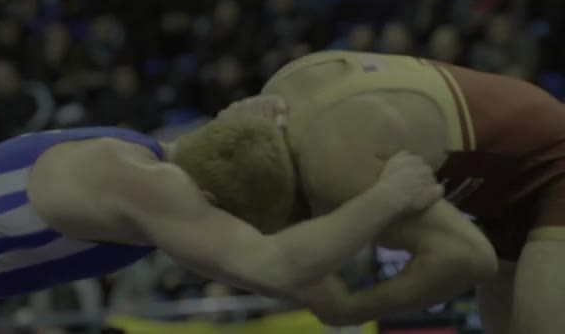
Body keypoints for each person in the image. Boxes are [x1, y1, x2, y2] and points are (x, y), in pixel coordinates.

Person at [176, 50, 565, 334]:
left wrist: (355, 308)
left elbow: (468, 258)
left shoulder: (336, 167)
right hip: (507, 182)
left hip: (555, 168)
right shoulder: (276, 98)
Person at [0, 94, 443, 309]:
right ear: (206, 200)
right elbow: (274, 269)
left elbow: (222, 148)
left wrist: (246, 129)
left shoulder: (137, 151)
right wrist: (389, 196)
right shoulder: (150, 185)